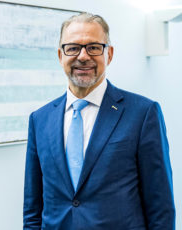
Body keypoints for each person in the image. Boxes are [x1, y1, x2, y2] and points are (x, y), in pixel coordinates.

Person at [23, 13, 175, 229]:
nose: (83, 56)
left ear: (109, 54)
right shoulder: (40, 119)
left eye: (93, 47)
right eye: (73, 48)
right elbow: (32, 210)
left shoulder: (143, 113)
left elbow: (161, 207)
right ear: (60, 55)